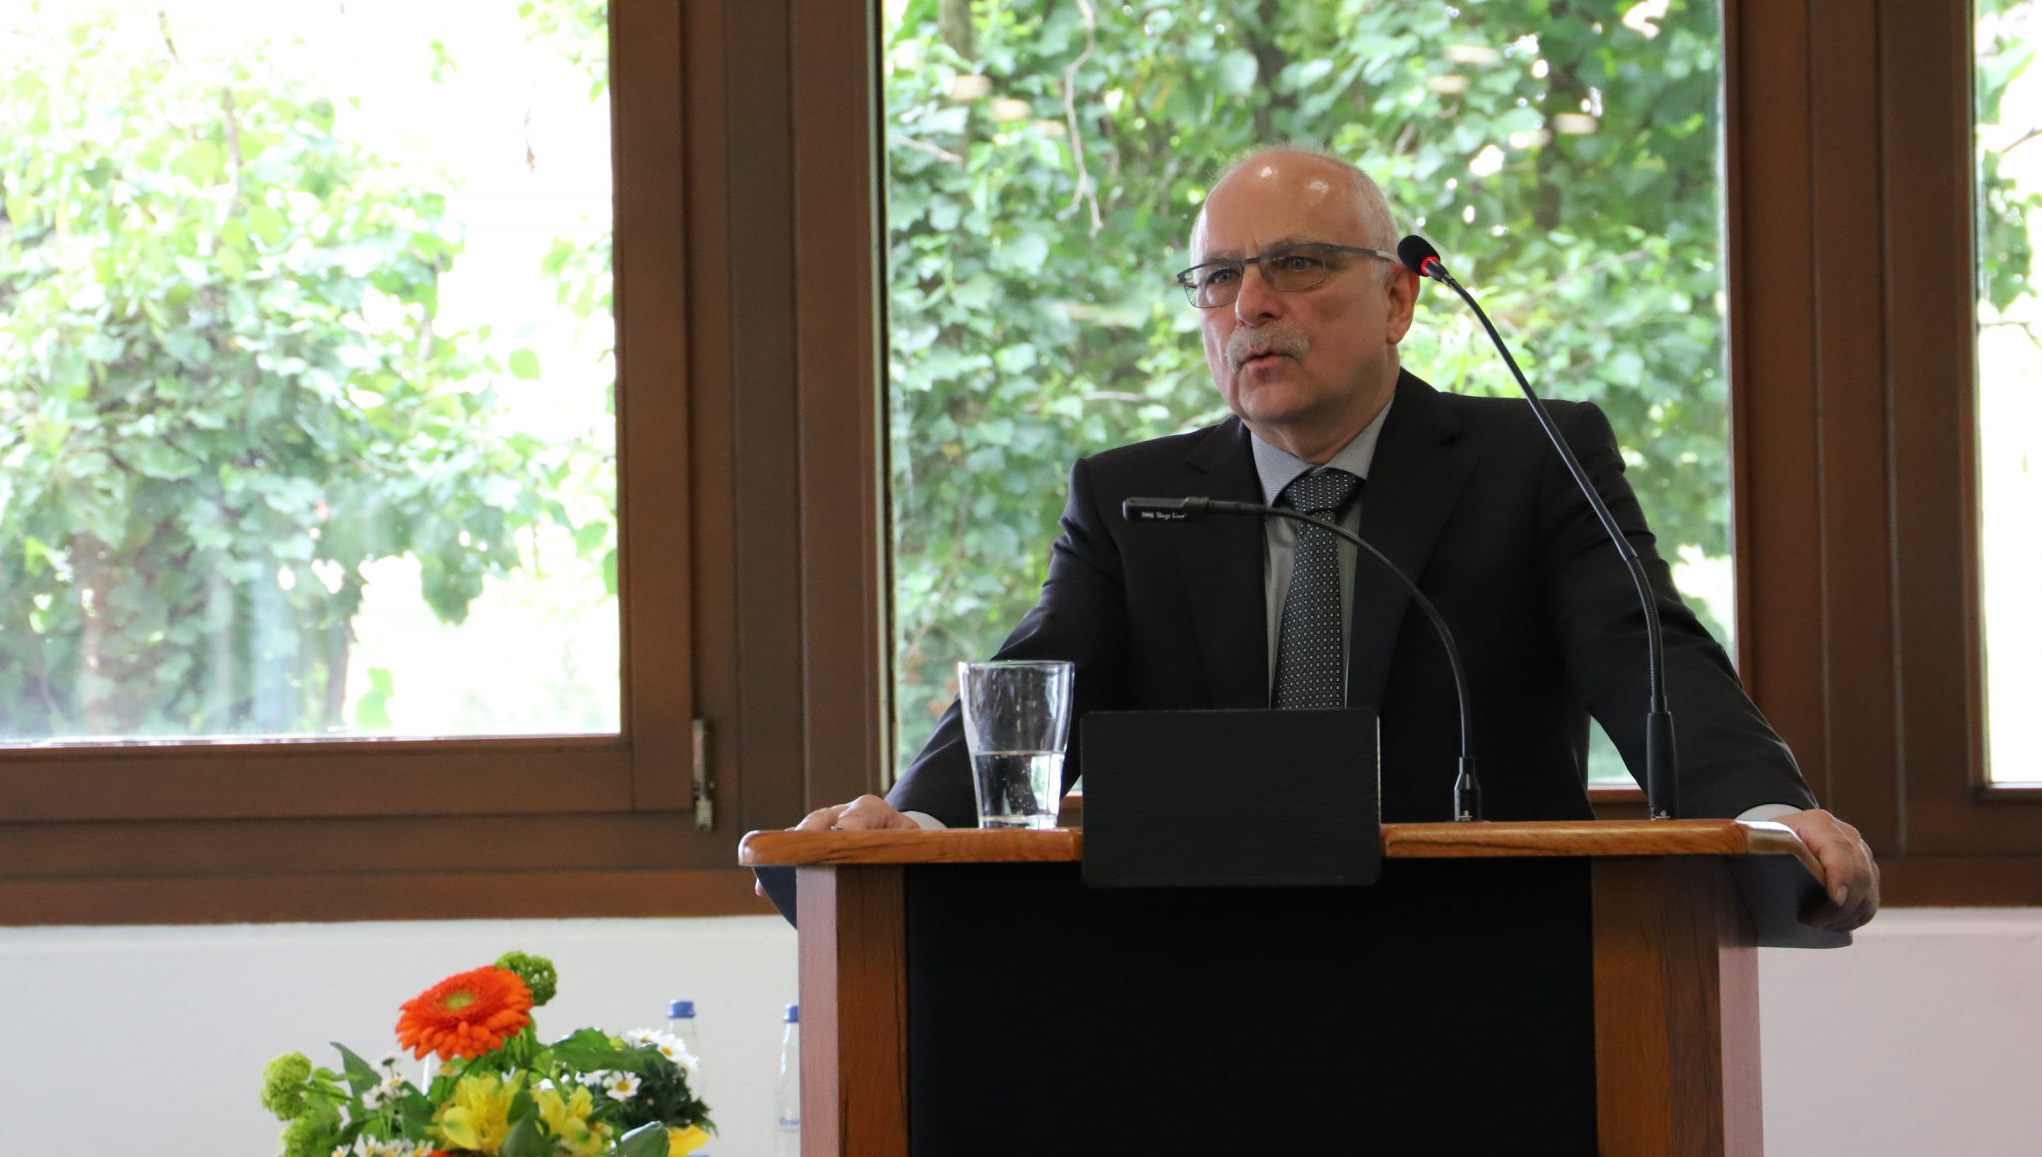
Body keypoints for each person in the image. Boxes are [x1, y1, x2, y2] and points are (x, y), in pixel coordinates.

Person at [797, 147, 1879, 932]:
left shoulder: (1531, 460)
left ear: (1399, 296)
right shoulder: (1132, 498)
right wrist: (911, 820)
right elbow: (1041, 682)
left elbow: (1647, 657)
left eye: (1298, 265)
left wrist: (1766, 811)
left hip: (1486, 954)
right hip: (1194, 971)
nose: (1251, 306)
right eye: (1219, 278)